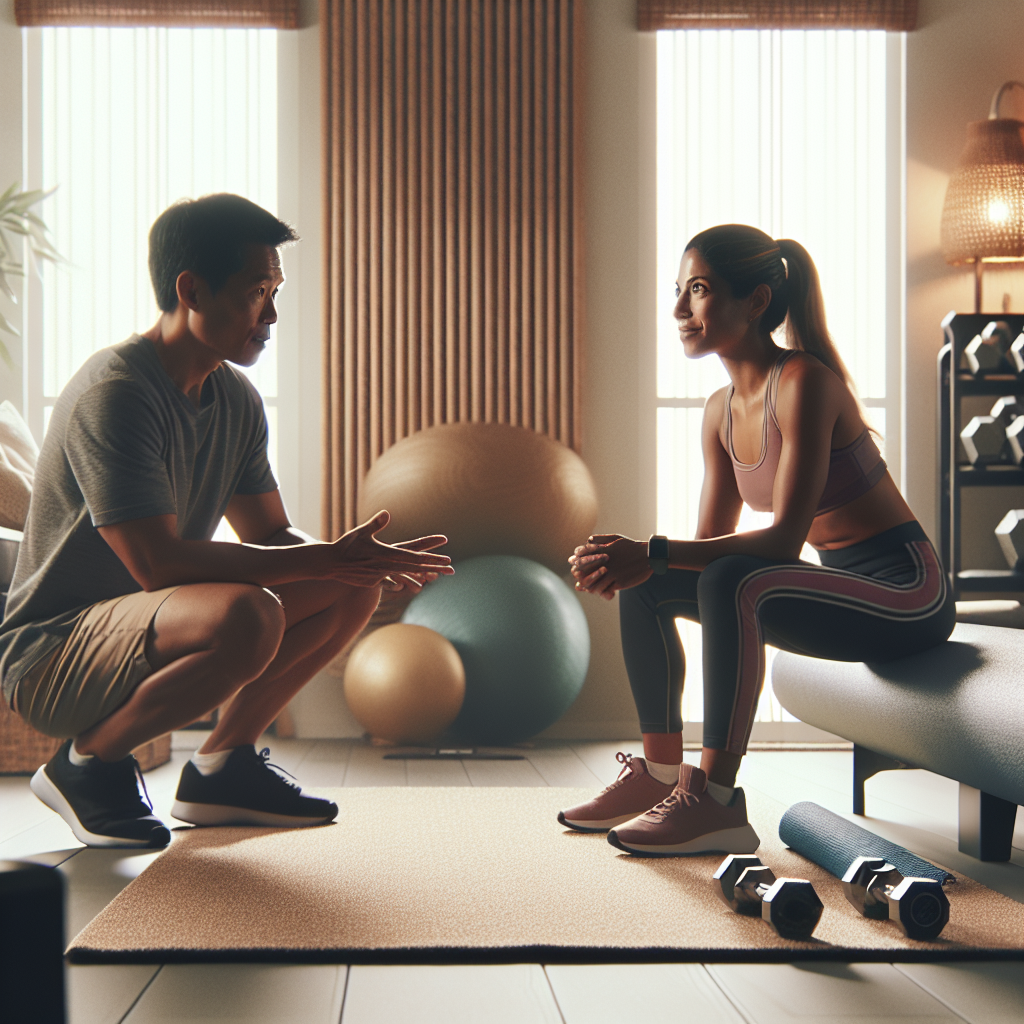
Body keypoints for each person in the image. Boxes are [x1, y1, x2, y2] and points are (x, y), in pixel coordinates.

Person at [0, 193, 453, 849]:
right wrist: (324, 557)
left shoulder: (234, 399)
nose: (271, 315)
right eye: (255, 293)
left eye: (275, 293)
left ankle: (222, 767)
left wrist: (354, 561)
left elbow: (270, 536)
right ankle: (87, 764)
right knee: (252, 613)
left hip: (149, 624)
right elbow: (158, 565)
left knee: (353, 586)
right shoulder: (117, 393)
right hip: (54, 656)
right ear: (191, 290)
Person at [560, 224, 954, 856]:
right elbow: (708, 546)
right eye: (678, 291)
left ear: (757, 301)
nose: (678, 309)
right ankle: (659, 775)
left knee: (721, 575)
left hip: (907, 591)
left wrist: (651, 549)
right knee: (651, 586)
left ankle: (715, 801)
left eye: (698, 289)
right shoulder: (719, 410)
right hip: (837, 586)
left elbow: (780, 544)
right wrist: (633, 564)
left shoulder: (804, 382)